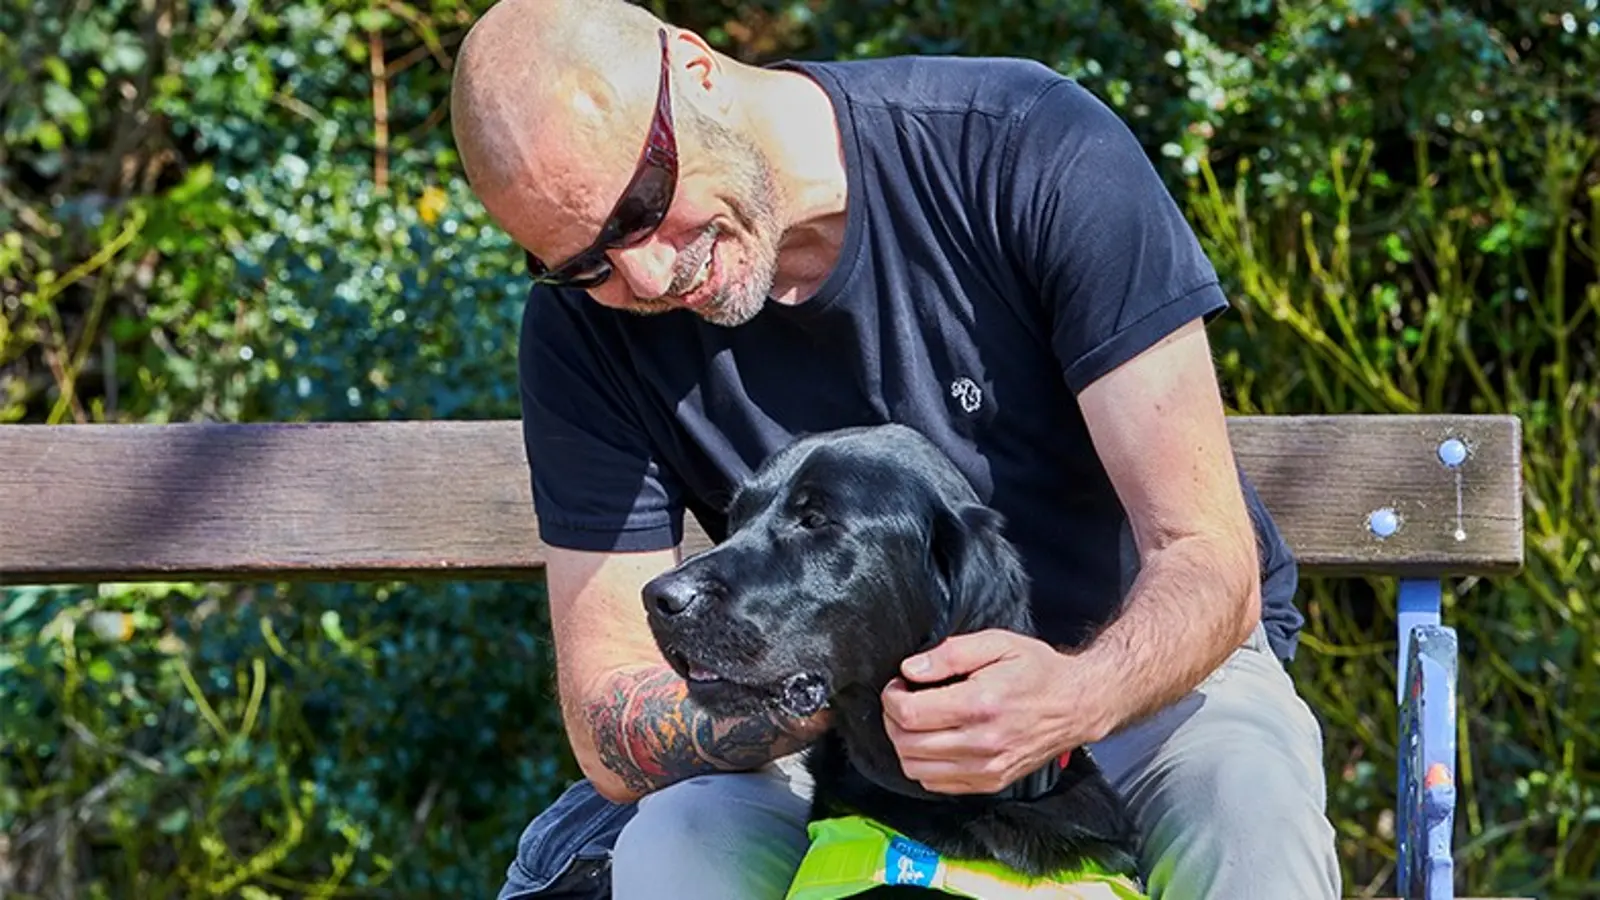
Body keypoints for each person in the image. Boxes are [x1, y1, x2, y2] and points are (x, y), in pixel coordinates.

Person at [449, 0, 1341, 897]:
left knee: (1250, 801)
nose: (644, 274)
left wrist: (1073, 697)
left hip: (1137, 682)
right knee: (679, 842)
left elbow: (1207, 555)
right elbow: (609, 704)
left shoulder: (1025, 151)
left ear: (697, 71)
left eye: (643, 205)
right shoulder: (584, 332)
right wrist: (828, 690)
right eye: (582, 263)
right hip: (837, 741)